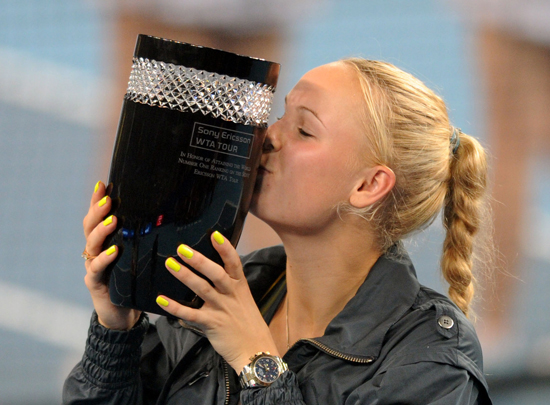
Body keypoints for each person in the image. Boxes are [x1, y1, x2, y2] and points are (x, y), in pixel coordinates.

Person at [63, 58, 493, 404]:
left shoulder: (431, 364)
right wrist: (116, 329)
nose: (267, 136)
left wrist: (257, 361)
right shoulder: (221, 290)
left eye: (304, 129)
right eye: (280, 115)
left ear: (368, 186)